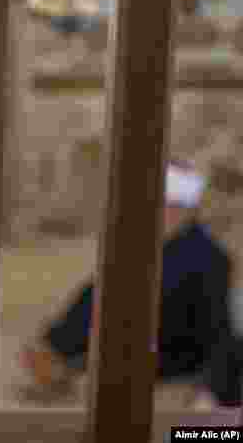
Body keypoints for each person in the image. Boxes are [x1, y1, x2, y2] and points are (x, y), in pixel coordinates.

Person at [20, 162, 240, 408]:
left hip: (168, 370)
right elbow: (95, 298)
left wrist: (220, 398)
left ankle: (57, 358)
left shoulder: (207, 257)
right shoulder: (149, 248)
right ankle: (56, 357)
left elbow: (216, 332)